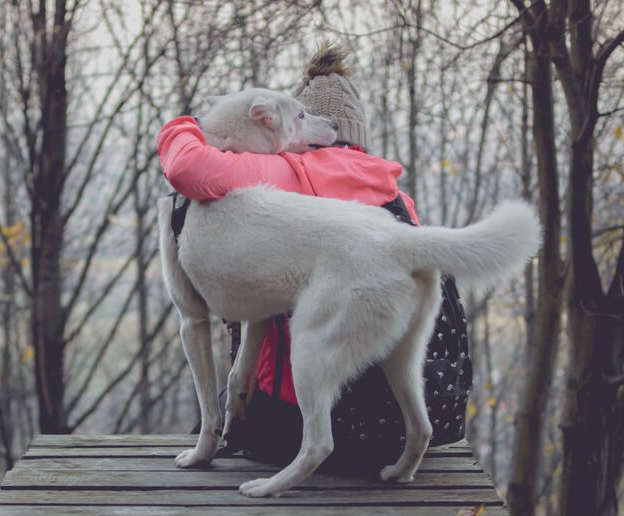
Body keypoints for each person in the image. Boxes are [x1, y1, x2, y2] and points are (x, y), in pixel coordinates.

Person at [157, 43, 470, 473]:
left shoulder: (291, 172)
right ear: (359, 138)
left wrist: (183, 127)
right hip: (396, 425)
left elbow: (190, 171)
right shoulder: (394, 193)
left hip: (286, 433)